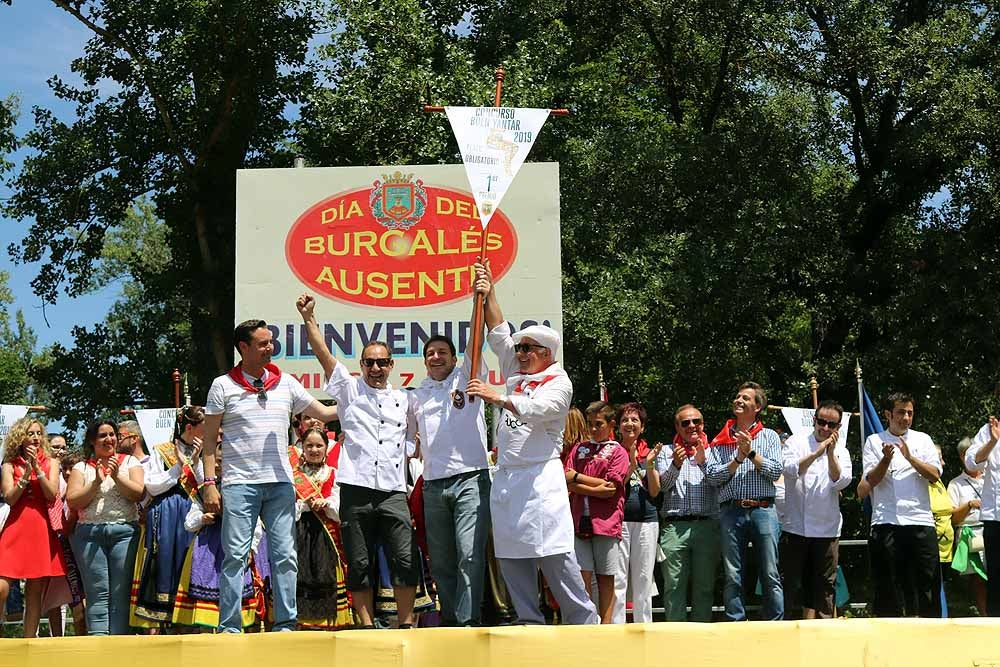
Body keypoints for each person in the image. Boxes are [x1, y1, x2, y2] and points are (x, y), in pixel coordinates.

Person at [465, 260, 598, 625]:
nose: (519, 353)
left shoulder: (559, 381)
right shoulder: (516, 370)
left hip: (540, 478)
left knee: (555, 556)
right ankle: (529, 622)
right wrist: (488, 287)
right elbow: (496, 329)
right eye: (519, 348)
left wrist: (498, 397)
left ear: (545, 353)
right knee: (511, 556)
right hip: (508, 479)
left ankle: (583, 622)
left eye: (527, 349)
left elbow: (539, 410)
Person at [199, 318, 339, 633]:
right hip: (239, 484)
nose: (270, 348)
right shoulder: (223, 385)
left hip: (280, 484)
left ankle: (286, 622)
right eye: (262, 344)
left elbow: (326, 413)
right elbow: (209, 442)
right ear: (243, 348)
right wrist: (209, 484)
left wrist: (358, 398)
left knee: (285, 555)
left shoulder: (286, 383)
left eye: (271, 342)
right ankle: (230, 625)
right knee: (235, 556)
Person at [296, 296, 419, 629]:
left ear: (391, 365)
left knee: (405, 558)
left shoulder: (406, 399)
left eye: (381, 363)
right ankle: (365, 624)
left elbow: (415, 441)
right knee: (360, 560)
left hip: (393, 491)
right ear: (361, 365)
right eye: (369, 363)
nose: (375, 369)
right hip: (355, 489)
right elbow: (324, 355)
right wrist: (309, 319)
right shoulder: (349, 391)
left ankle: (407, 623)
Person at [410, 329, 492, 627]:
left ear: (454, 357)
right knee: (442, 561)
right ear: (424, 361)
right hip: (433, 484)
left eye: (442, 352)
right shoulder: (418, 395)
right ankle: (450, 621)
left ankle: (468, 621)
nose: (436, 357)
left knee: (469, 555)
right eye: (430, 353)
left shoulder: (467, 378)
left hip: (470, 478)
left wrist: (479, 297)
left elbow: (476, 343)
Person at [705, 382, 784, 621]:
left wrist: (750, 453)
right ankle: (735, 623)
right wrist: (737, 459)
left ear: (757, 407)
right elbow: (713, 477)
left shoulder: (769, 436)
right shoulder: (721, 439)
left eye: (746, 398)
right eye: (737, 396)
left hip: (763, 509)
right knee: (732, 573)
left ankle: (774, 624)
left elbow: (776, 471)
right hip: (731, 511)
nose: (739, 400)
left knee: (770, 571)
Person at [862, 392, 941, 617]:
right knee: (888, 587)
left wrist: (910, 458)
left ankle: (930, 634)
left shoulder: (923, 440)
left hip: (920, 521)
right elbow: (869, 482)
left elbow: (935, 475)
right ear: (888, 414)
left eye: (910, 413)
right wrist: (886, 460)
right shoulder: (874, 441)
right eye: (900, 412)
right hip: (886, 521)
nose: (905, 418)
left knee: (926, 584)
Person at [130, 406, 206, 630]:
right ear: (190, 428)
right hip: (166, 510)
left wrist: (198, 460)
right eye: (203, 428)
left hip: (193, 510)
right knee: (162, 560)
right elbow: (152, 485)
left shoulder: (204, 451)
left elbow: (204, 486)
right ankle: (158, 622)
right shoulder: (160, 450)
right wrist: (179, 466)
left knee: (191, 562)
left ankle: (187, 620)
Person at [66, 419, 145, 635]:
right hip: (89, 535)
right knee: (97, 593)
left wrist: (117, 475)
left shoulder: (130, 462)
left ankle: (119, 647)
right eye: (102, 435)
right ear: (92, 441)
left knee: (121, 593)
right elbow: (73, 501)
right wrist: (95, 483)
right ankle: (98, 646)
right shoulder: (81, 467)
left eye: (112, 434)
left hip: (125, 533)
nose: (109, 439)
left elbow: (138, 493)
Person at [779, 400, 852, 619]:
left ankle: (823, 637)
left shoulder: (843, 451)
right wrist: (817, 452)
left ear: (838, 427)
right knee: (792, 587)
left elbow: (842, 482)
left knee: (824, 589)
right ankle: (789, 636)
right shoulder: (796, 442)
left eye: (832, 424)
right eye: (822, 422)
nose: (826, 428)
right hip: (795, 527)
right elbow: (790, 470)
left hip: (827, 530)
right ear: (814, 420)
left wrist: (830, 454)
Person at [0, 417, 66, 638]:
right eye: (31, 433)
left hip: (40, 527)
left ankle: (28, 641)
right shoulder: (9, 465)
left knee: (34, 590)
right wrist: (25, 476)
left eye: (39, 433)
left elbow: (50, 493)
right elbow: (9, 499)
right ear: (20, 437)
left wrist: (37, 468)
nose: (36, 438)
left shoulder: (52, 462)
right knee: (2, 586)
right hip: (16, 526)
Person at [564, 401, 629, 624]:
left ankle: (607, 624)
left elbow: (610, 489)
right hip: (578, 520)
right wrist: (589, 484)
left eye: (598, 424)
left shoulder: (618, 451)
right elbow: (566, 479)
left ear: (611, 424)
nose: (593, 429)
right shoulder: (579, 448)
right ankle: (587, 623)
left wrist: (576, 479)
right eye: (590, 424)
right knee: (582, 576)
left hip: (606, 523)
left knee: (606, 577)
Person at [654, 404, 720, 622]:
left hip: (707, 524)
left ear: (703, 424)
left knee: (705, 586)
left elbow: (718, 483)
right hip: (675, 525)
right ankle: (675, 636)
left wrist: (703, 463)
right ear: (677, 426)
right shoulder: (665, 451)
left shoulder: (714, 451)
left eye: (696, 422)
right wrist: (675, 464)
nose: (692, 426)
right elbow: (661, 487)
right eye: (686, 423)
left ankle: (701, 637)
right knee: (673, 585)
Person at [293, 427, 352, 630]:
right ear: (302, 448)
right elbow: (285, 510)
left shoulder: (334, 474)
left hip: (327, 536)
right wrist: (304, 505)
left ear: (327, 448)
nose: (314, 449)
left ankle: (328, 623)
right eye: (309, 445)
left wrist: (326, 504)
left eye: (319, 445)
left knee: (326, 574)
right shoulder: (294, 476)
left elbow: (340, 506)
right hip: (300, 535)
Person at [612, 402, 663, 623]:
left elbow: (654, 491)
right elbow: (612, 488)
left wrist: (648, 465)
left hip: (647, 522)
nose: (629, 424)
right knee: (618, 580)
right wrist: (630, 465)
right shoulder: (612, 451)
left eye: (635, 420)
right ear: (618, 426)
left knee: (643, 578)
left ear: (642, 426)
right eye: (625, 420)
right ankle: (616, 627)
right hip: (618, 521)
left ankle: (645, 628)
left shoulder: (651, 453)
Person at [949, 436, 986, 615]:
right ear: (962, 457)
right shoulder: (955, 484)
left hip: (992, 530)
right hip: (970, 534)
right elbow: (954, 519)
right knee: (978, 579)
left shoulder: (992, 477)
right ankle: (985, 615)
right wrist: (970, 504)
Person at [929, 446, 954, 617]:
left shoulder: (940, 483)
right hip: (930, 547)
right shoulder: (922, 483)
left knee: (940, 587)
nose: (943, 462)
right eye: (939, 458)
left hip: (945, 549)